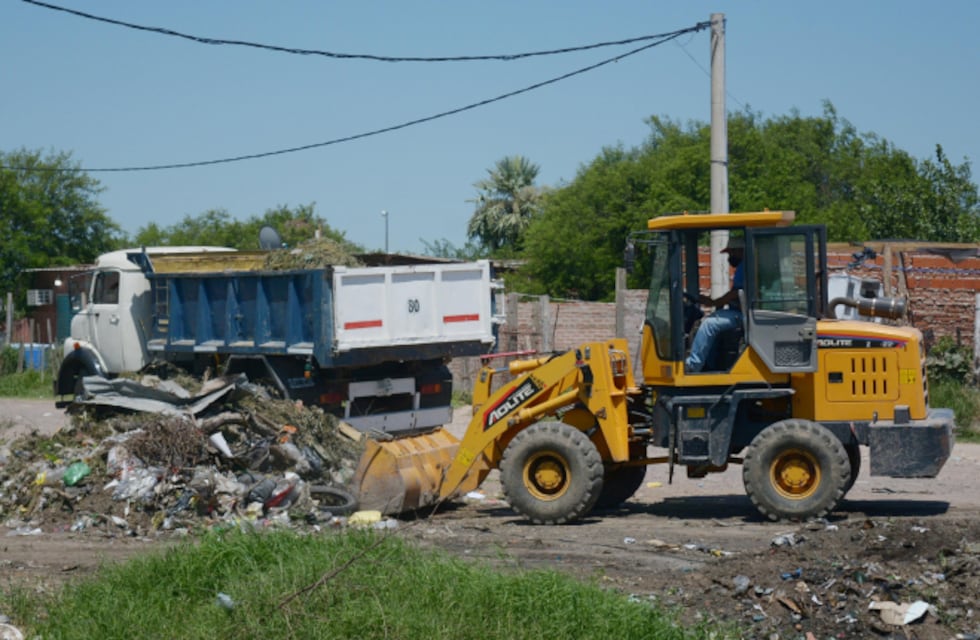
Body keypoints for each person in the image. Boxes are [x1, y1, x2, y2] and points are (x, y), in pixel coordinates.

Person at [685, 236, 744, 372]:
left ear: (740, 250)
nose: (730, 256)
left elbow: (735, 293)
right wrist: (717, 305)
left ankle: (693, 365)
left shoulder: (744, 267)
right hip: (739, 312)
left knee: (709, 324)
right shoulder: (744, 267)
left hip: (743, 315)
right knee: (713, 324)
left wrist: (714, 302)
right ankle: (709, 365)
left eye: (731, 252)